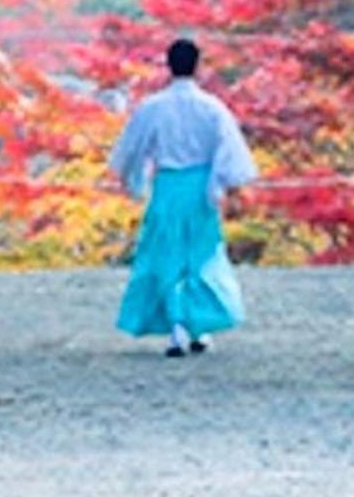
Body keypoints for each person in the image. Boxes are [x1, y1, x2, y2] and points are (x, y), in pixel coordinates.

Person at [109, 37, 257, 357]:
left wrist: (131, 179)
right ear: (197, 66)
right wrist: (224, 186)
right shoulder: (212, 107)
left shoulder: (153, 107)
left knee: (165, 256)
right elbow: (229, 151)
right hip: (200, 189)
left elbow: (129, 149)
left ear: (168, 65)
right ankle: (198, 328)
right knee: (200, 257)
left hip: (168, 186)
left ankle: (176, 329)